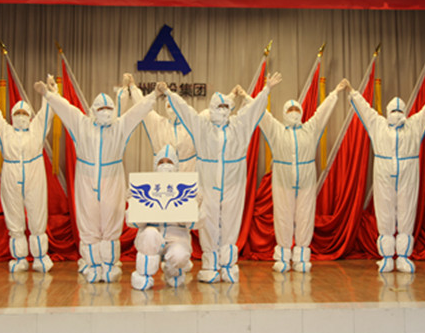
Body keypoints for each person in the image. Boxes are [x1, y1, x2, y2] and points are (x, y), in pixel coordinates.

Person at [156, 72, 282, 283]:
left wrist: (266, 89)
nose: (222, 111)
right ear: (211, 109)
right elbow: (186, 111)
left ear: (230, 108)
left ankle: (228, 265)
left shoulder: (239, 126)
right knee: (208, 221)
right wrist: (169, 93)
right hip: (208, 181)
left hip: (234, 182)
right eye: (218, 107)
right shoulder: (202, 127)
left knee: (231, 221)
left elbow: (254, 111)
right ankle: (210, 265)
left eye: (225, 107)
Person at [34, 74, 156, 283]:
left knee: (111, 224)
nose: (106, 112)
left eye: (109, 109)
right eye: (101, 109)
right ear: (93, 110)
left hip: (113, 179)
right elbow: (65, 108)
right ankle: (92, 265)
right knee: (89, 224)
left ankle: (109, 266)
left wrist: (154, 95)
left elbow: (137, 112)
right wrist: (48, 94)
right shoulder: (81, 124)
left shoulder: (120, 126)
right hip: (86, 180)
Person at [343, 75, 425, 273]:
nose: (396, 114)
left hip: (408, 174)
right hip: (383, 174)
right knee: (384, 213)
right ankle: (387, 257)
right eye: (393, 111)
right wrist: (352, 91)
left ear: (405, 112)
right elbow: (365, 109)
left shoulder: (414, 125)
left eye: (400, 111)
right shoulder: (378, 124)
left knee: (406, 212)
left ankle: (403, 257)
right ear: (387, 112)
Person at [243, 78, 348, 273]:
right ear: (284, 113)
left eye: (297, 110)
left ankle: (301, 258)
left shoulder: (310, 129)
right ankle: (283, 257)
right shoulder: (276, 130)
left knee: (305, 217)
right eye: (290, 110)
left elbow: (322, 113)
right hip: (282, 181)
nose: (294, 113)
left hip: (306, 181)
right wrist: (249, 98)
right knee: (282, 217)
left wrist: (334, 93)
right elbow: (262, 114)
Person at [0, 79, 54, 273]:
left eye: (24, 113)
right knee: (14, 217)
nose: (21, 117)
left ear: (30, 116)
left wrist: (50, 92)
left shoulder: (36, 130)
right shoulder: (5, 132)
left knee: (37, 215)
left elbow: (47, 114)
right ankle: (19, 259)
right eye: (17, 113)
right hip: (10, 175)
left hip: (34, 174)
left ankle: (40, 258)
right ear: (12, 116)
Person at [127, 144, 195, 290]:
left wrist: (193, 207)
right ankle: (143, 275)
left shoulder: (186, 188)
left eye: (169, 162)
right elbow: (133, 223)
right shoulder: (144, 186)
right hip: (152, 236)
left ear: (176, 165)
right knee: (150, 234)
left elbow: (195, 224)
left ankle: (173, 269)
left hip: (177, 237)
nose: (165, 166)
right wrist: (135, 204)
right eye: (161, 162)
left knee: (180, 255)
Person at [116, 73, 197, 171]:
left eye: (174, 106)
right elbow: (142, 107)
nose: (172, 109)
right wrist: (133, 88)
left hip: (188, 172)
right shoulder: (159, 124)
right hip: (161, 173)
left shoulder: (190, 125)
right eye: (169, 106)